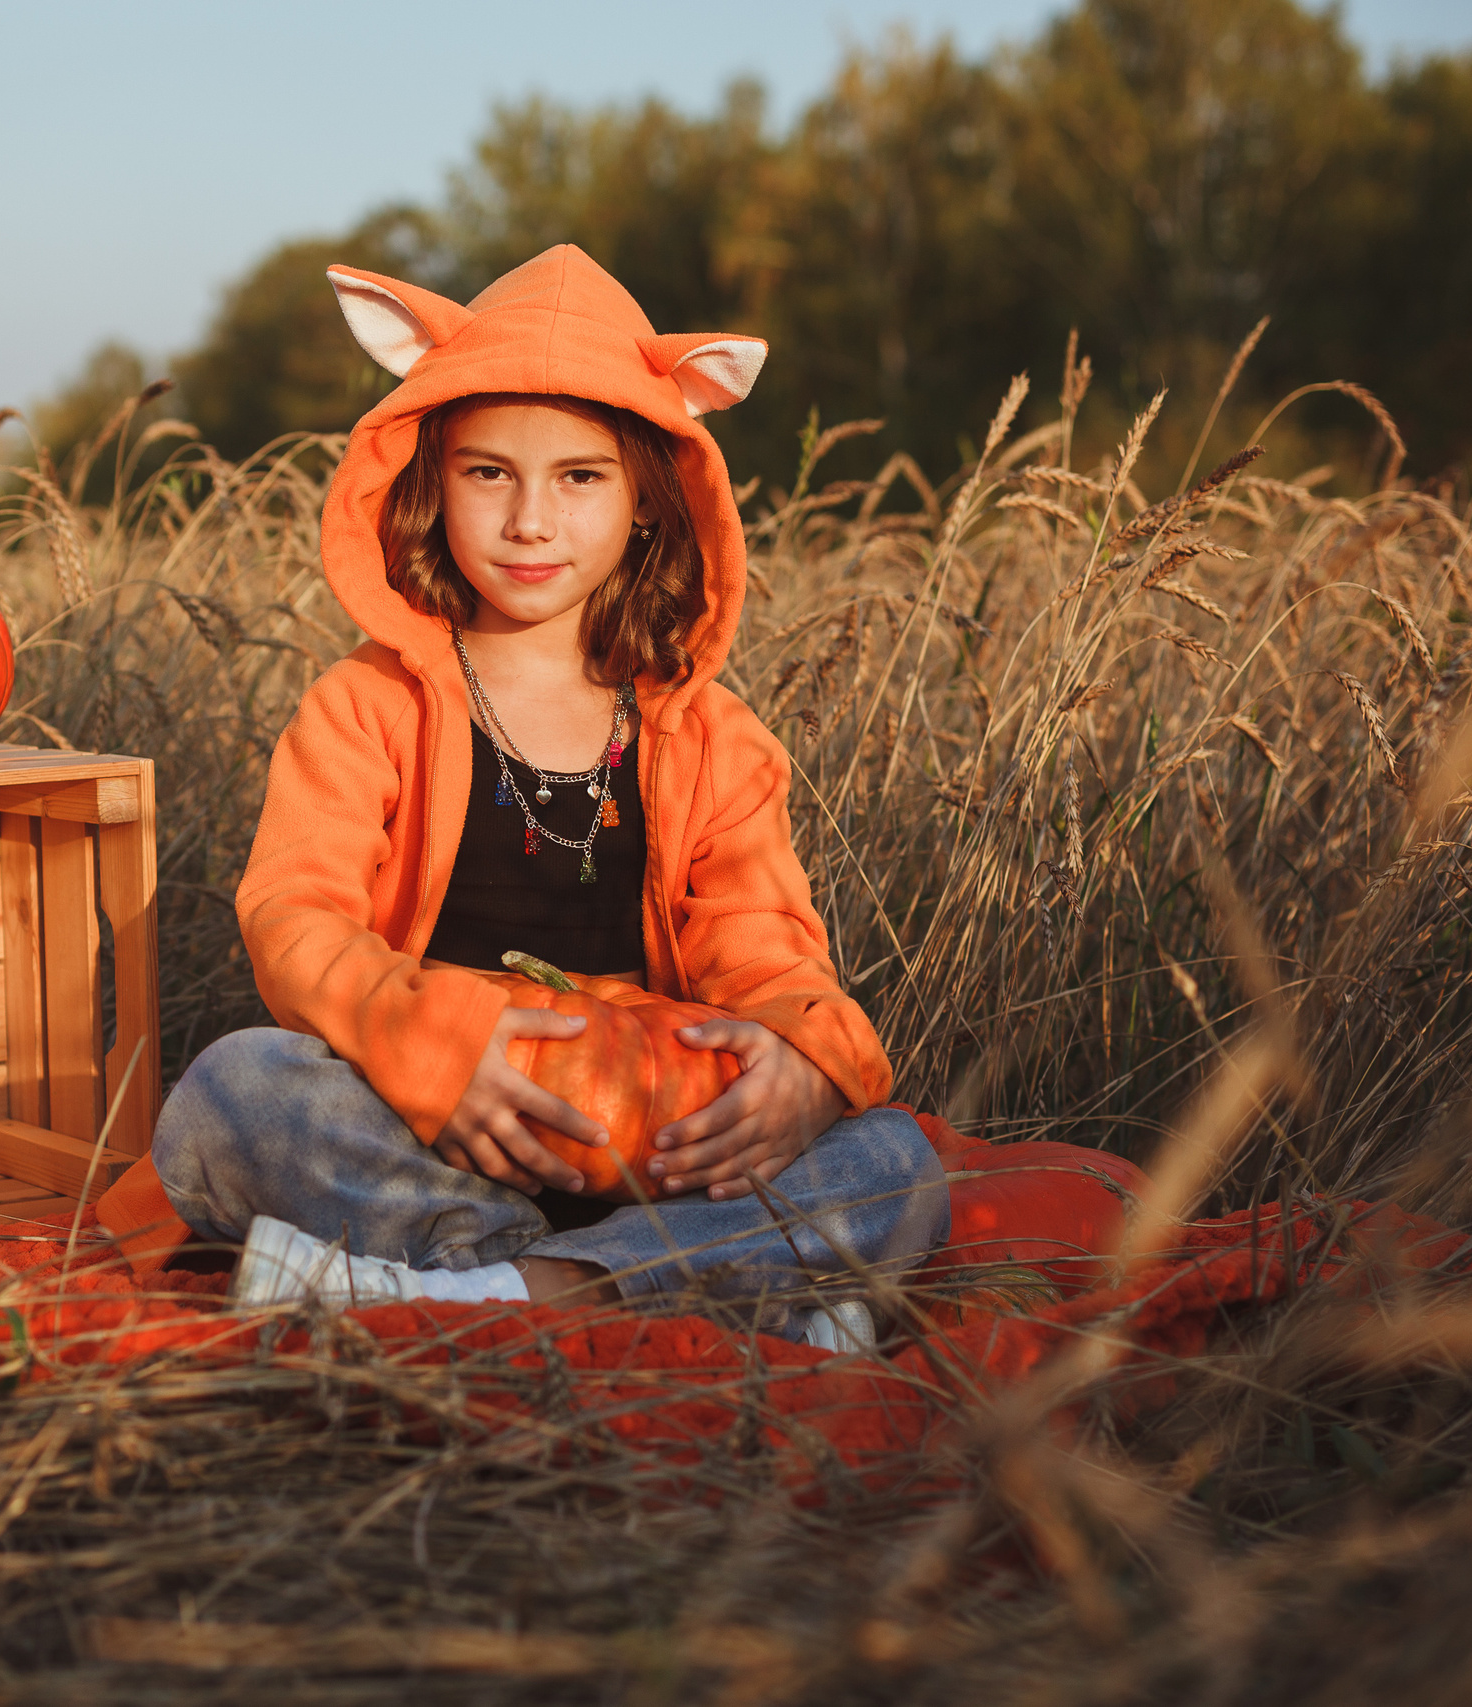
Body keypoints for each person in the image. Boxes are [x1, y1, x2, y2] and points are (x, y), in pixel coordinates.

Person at [129, 245, 947, 1346]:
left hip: (656, 1147)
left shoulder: (711, 738)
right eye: (488, 473)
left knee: (893, 1161)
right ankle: (630, 1292)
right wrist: (429, 1048)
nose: (529, 521)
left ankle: (485, 1299)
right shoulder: (367, 705)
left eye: (580, 478)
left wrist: (805, 1063)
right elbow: (295, 915)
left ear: (648, 500)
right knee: (234, 1093)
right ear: (431, 480)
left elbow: (766, 955)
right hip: (435, 1133)